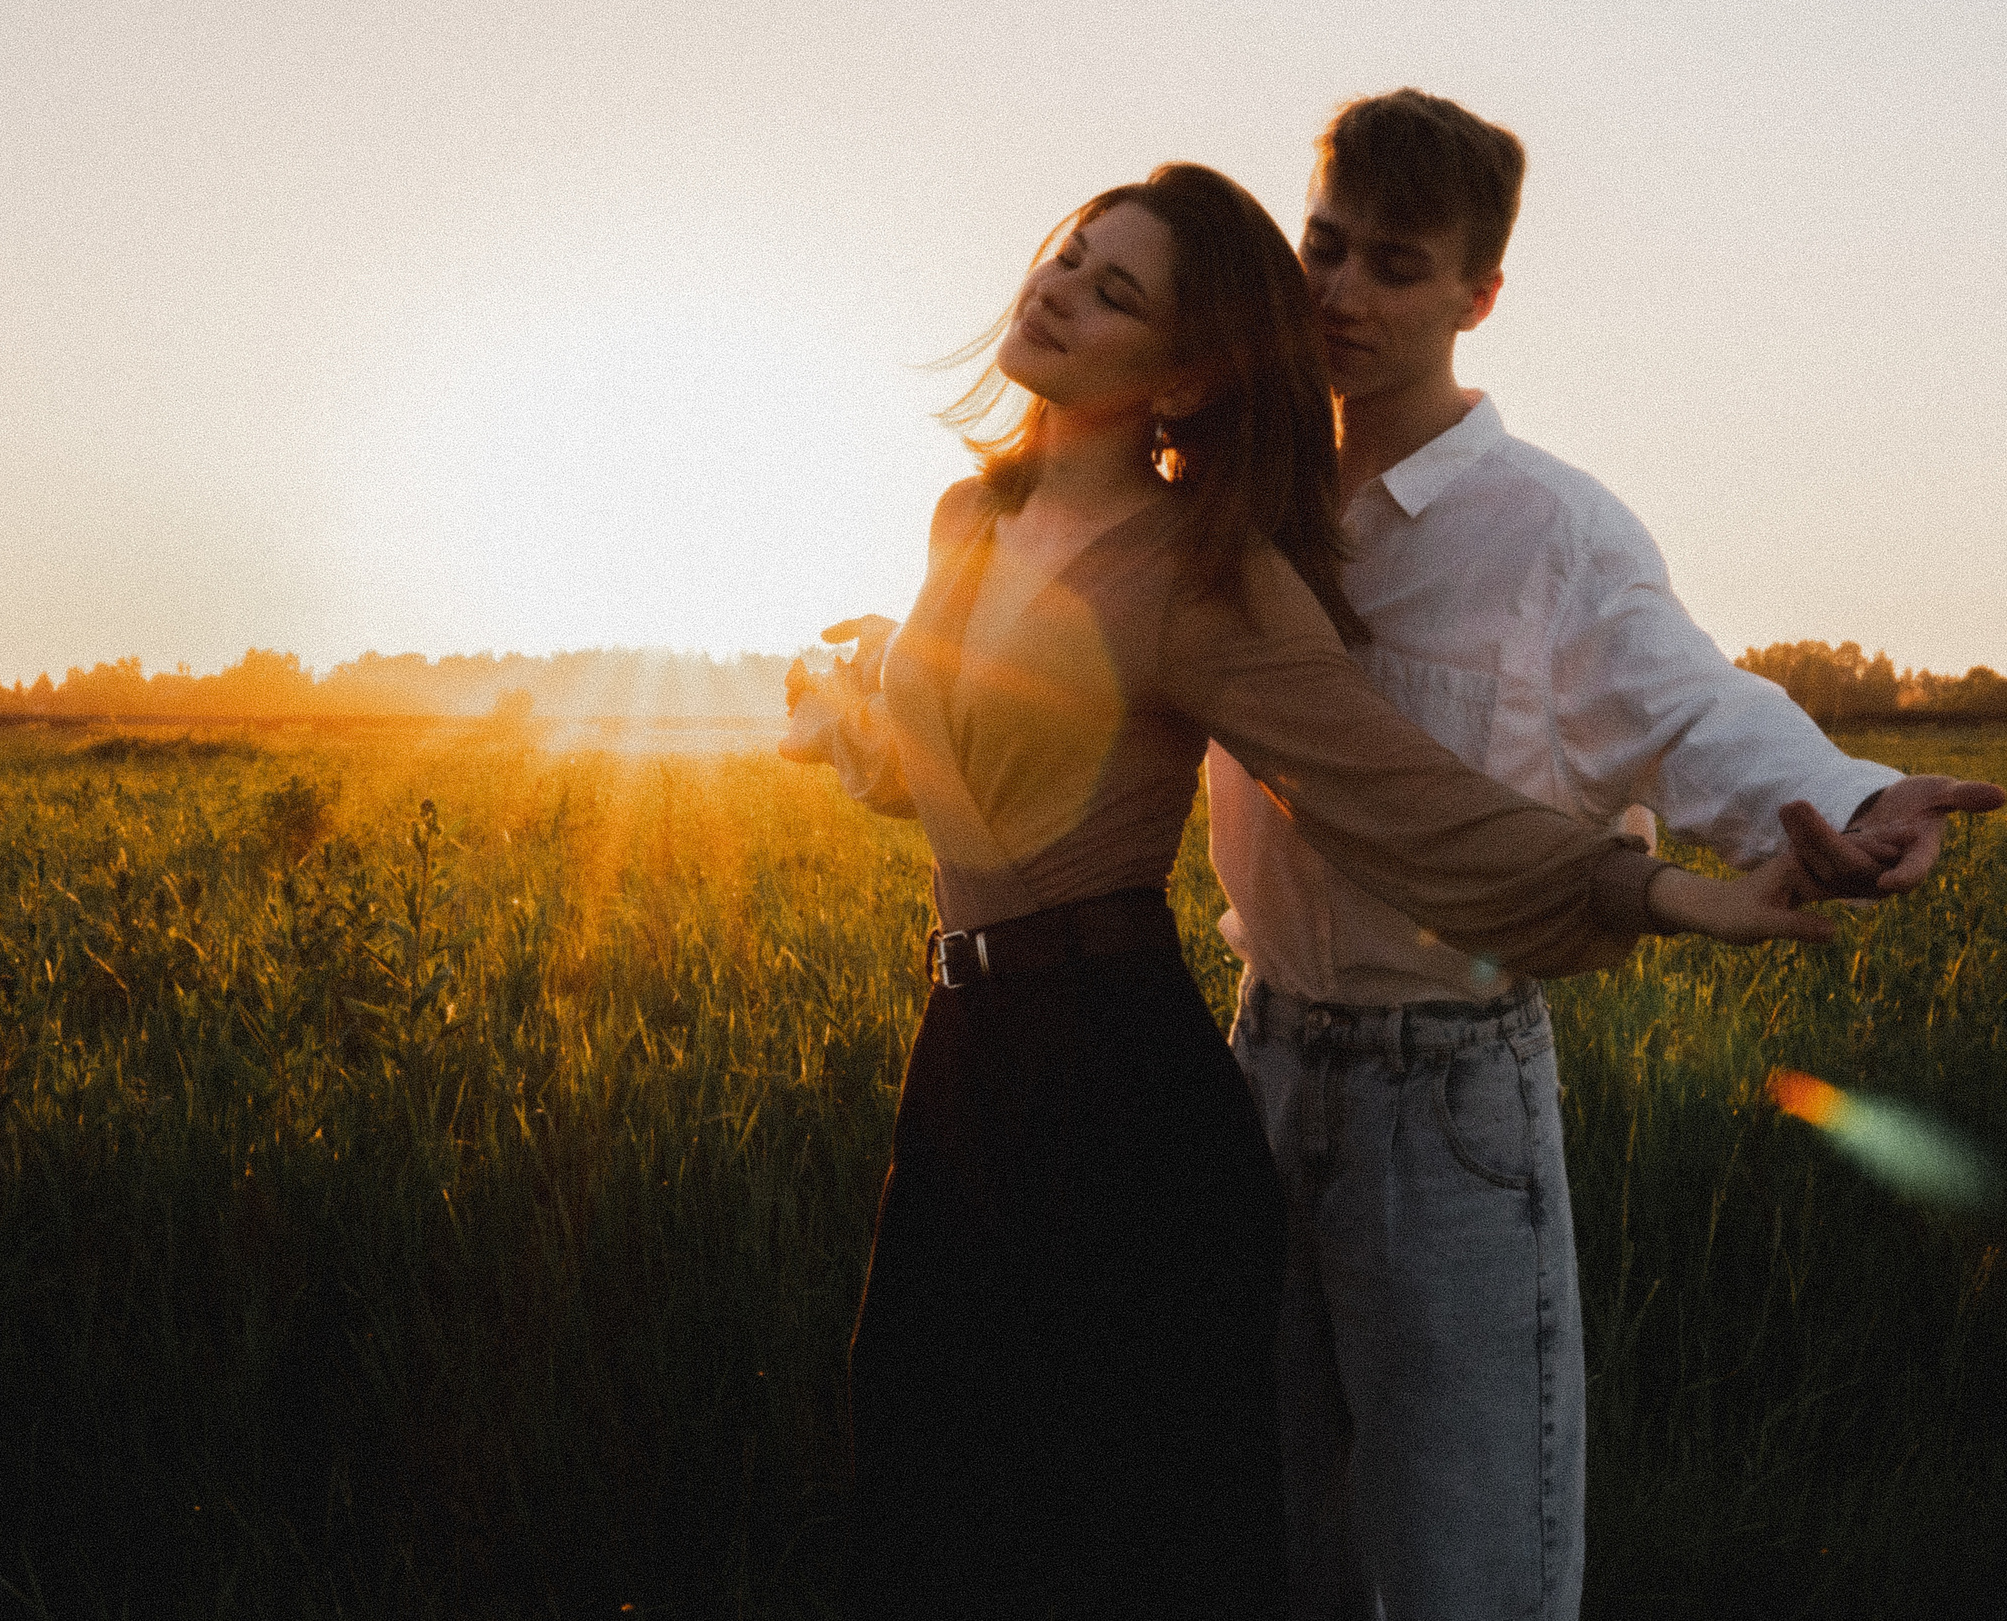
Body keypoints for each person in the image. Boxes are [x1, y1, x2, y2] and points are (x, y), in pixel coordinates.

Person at [781, 161, 1848, 1620]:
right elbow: (971, 767)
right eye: (1070, 255)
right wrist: (854, 712)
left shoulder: (1204, 572)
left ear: (1183, 375)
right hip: (961, 1055)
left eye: (1117, 291)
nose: (1062, 289)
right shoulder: (967, 517)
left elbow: (1391, 791)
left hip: (1112, 1077)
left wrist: (1672, 897)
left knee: (1116, 1536)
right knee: (931, 1486)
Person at [1207, 88, 2007, 1621]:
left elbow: (1690, 699)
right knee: (1274, 1566)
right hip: (1253, 1080)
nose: (1339, 292)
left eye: (1393, 263)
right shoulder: (1242, 497)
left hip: (1444, 1107)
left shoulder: (1548, 532)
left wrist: (1851, 796)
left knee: (1468, 1579)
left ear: (1478, 295)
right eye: (1322, 245)